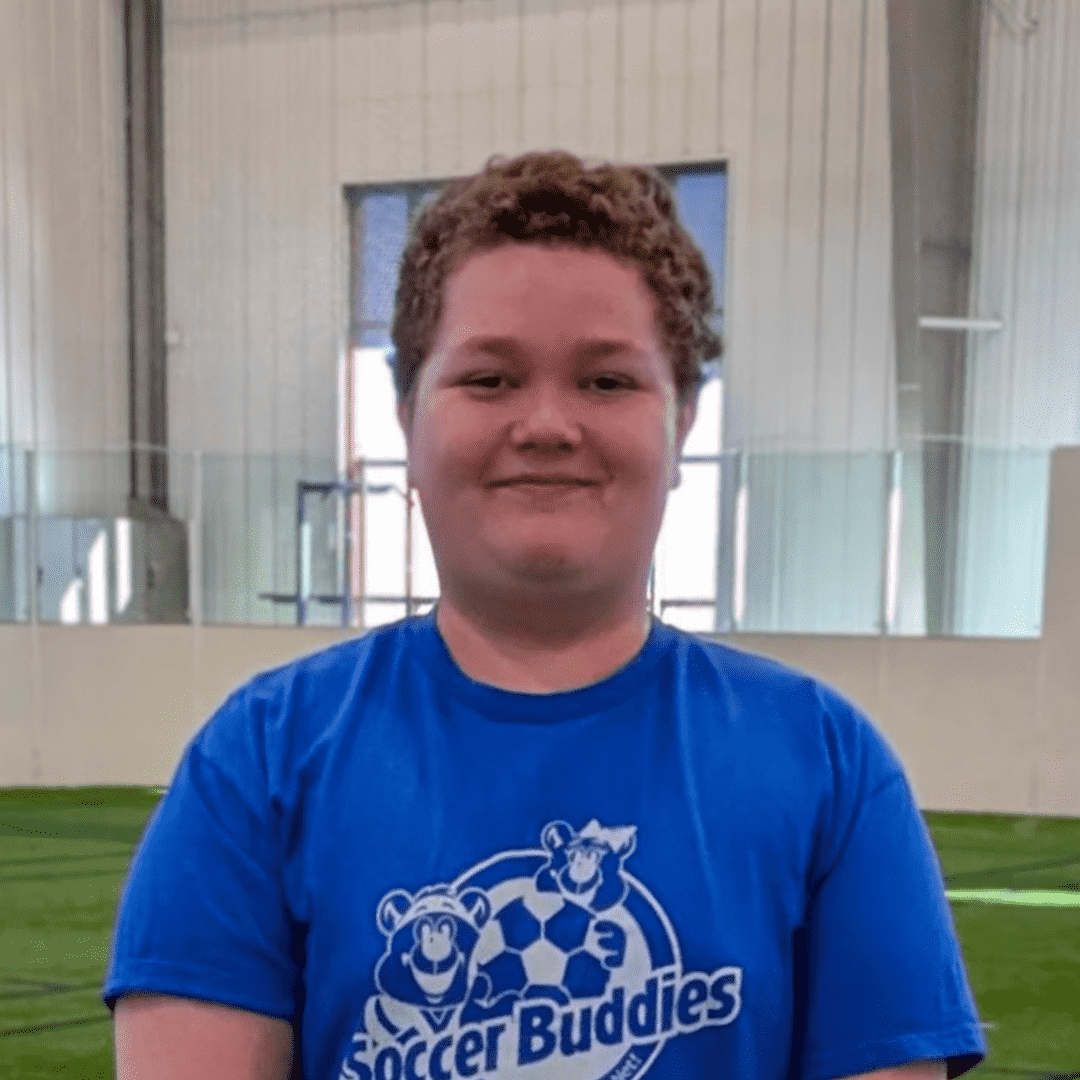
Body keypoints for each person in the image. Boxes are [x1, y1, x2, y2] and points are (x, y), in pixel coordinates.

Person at [104, 150, 987, 1080]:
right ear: (408, 416)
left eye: (607, 382)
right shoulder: (258, 763)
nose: (548, 423)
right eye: (488, 380)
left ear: (683, 421)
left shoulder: (828, 766)